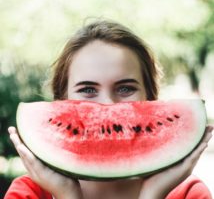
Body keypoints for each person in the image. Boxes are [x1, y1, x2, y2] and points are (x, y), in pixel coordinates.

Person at [5, 20, 213, 199]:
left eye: (125, 88)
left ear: (151, 98)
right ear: (61, 101)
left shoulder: (189, 193)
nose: (108, 106)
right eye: (87, 89)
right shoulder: (29, 193)